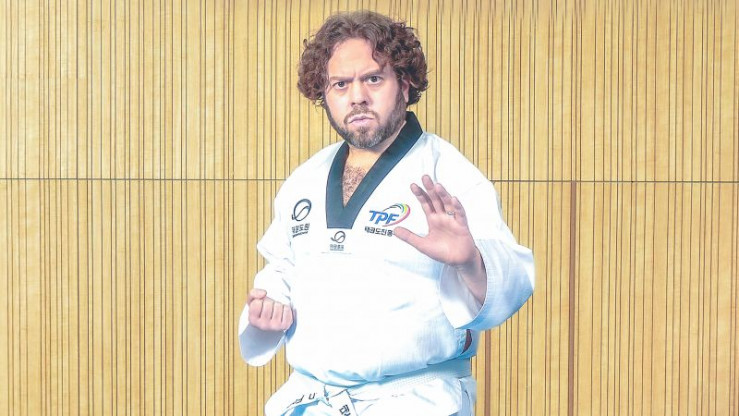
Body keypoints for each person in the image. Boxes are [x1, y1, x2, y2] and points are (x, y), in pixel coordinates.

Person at [238, 10, 535, 416]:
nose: (357, 96)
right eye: (340, 84)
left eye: (373, 79)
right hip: (314, 400)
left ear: (405, 83)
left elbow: (513, 283)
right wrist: (268, 308)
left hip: (414, 402)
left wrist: (471, 262)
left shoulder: (447, 175)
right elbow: (283, 268)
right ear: (324, 93)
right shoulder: (305, 179)